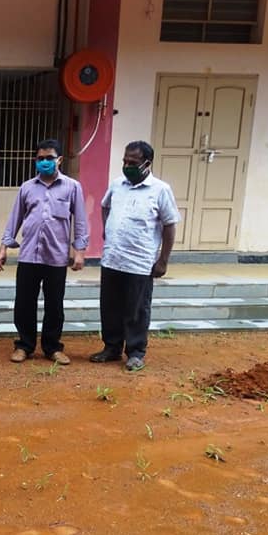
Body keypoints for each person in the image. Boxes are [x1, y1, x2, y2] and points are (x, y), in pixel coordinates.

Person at [91, 140, 180, 371]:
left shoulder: (160, 190)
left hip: (140, 262)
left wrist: (163, 260)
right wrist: (106, 230)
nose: (127, 165)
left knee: (136, 309)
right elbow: (104, 206)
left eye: (133, 162)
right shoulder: (117, 184)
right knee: (109, 307)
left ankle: (135, 352)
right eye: (125, 161)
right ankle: (111, 348)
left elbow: (170, 225)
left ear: (147, 164)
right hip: (112, 258)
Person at [0, 139, 89, 365]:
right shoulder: (27, 187)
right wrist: (3, 248)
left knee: (54, 305)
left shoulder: (72, 187)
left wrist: (79, 251)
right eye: (40, 158)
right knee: (24, 303)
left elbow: (80, 221)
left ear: (59, 160)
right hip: (29, 255)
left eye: (49, 158)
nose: (45, 162)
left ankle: (52, 347)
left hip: (56, 257)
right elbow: (14, 219)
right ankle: (24, 345)